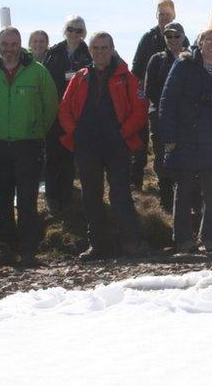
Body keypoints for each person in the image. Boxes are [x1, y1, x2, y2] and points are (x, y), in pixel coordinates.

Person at [59, 32, 148, 260]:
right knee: (91, 196)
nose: (100, 52)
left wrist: (122, 133)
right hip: (87, 146)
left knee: (120, 194)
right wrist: (76, 134)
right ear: (90, 51)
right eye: (96, 48)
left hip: (116, 146)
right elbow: (65, 109)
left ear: (112, 49)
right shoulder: (80, 77)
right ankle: (97, 245)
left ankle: (131, 243)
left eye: (104, 47)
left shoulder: (126, 77)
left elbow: (139, 111)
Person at [0, 27, 58, 267]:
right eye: (4, 44)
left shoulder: (37, 72)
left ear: (20, 45)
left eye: (13, 44)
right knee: (1, 200)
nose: (9, 49)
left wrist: (36, 131)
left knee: (27, 199)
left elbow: (50, 104)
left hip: (28, 144)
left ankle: (28, 250)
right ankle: (5, 249)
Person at [159, 27, 212, 253]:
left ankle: (208, 237)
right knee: (184, 190)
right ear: (200, 42)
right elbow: (168, 100)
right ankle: (183, 239)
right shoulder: (184, 64)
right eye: (208, 40)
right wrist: (169, 136)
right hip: (186, 138)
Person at [130, 0, 190, 186]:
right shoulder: (148, 39)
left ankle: (181, 187)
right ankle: (157, 186)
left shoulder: (186, 44)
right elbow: (137, 69)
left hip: (183, 111)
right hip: (154, 104)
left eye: (167, 14)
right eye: (161, 14)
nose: (173, 39)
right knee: (158, 148)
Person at [42, 16, 91, 214]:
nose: (74, 34)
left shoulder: (88, 54)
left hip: (77, 114)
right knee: (53, 154)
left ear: (84, 33)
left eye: (79, 30)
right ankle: (52, 196)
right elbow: (44, 80)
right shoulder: (53, 53)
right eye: (71, 29)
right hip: (54, 111)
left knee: (69, 155)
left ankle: (67, 194)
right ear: (65, 30)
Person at [145, 22, 188, 211]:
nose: (172, 40)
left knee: (186, 158)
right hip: (160, 117)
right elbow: (150, 90)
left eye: (176, 36)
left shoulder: (191, 58)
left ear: (183, 37)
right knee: (163, 158)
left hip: (186, 119)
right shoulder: (156, 59)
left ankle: (187, 200)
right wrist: (167, 108)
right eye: (168, 36)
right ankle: (166, 200)